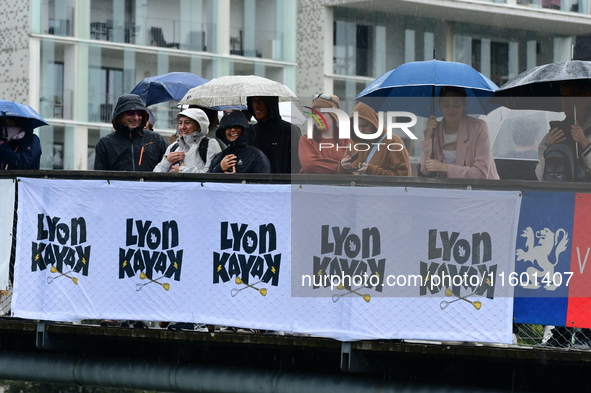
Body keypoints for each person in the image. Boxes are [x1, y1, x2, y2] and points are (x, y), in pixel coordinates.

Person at [419, 86, 499, 179]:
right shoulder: (434, 129)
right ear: (439, 105)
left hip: (480, 190)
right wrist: (429, 136)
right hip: (446, 191)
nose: (451, 110)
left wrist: (445, 168)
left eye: (456, 105)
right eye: (446, 105)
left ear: (464, 104)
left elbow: (480, 173)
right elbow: (424, 171)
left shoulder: (479, 127)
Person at [535, 80, 591, 181]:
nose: (566, 102)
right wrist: (549, 149)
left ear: (585, 99)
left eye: (571, 96)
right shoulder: (554, 134)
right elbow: (539, 176)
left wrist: (584, 142)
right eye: (563, 96)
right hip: (560, 191)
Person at [94, 94, 167, 171]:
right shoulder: (105, 143)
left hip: (150, 183)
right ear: (119, 115)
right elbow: (99, 179)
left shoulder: (156, 139)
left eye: (139, 113)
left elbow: (170, 166)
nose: (136, 118)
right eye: (130, 113)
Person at [337, 102, 411, 176]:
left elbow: (404, 176)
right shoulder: (353, 143)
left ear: (375, 123)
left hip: (381, 187)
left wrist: (373, 171)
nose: (360, 130)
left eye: (365, 125)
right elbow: (344, 177)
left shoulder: (393, 142)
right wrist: (342, 167)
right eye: (357, 126)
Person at [153, 108, 221, 173]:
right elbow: (155, 176)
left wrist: (182, 170)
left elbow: (212, 173)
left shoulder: (210, 144)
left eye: (187, 123)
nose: (183, 127)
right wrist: (167, 161)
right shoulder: (173, 147)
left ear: (199, 126)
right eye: (180, 123)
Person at [247, 96, 301, 173]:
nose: (256, 106)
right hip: (256, 183)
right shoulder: (251, 132)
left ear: (270, 103)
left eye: (260, 101)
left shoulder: (290, 130)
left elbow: (297, 165)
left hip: (283, 184)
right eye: (253, 101)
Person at [298, 93, 348, 174]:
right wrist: (339, 167)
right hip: (313, 186)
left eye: (323, 113)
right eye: (315, 113)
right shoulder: (307, 139)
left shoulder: (346, 139)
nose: (318, 117)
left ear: (334, 115)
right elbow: (309, 165)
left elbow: (352, 165)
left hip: (341, 186)